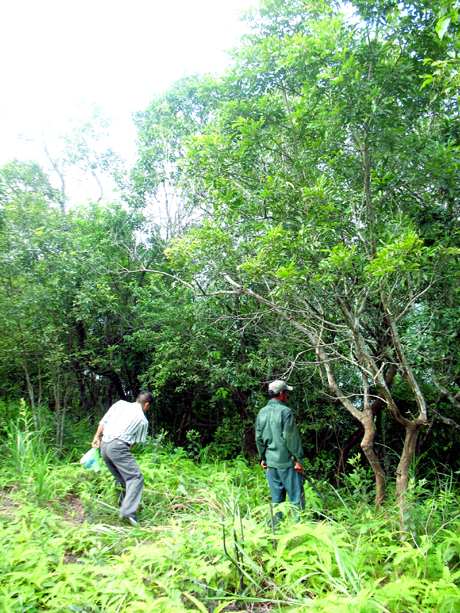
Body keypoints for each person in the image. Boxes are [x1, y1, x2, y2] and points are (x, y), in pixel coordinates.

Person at [91, 391, 154, 526]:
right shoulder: (143, 420)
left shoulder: (120, 404)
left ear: (137, 399)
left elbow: (104, 421)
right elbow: (135, 442)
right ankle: (128, 512)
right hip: (118, 447)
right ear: (146, 405)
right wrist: (121, 453)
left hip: (104, 445)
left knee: (121, 477)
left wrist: (96, 437)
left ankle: (121, 506)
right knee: (136, 478)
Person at [255, 380, 305, 523]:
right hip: (287, 463)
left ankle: (276, 534)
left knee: (277, 502)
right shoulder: (285, 412)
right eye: (286, 392)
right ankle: (298, 533)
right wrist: (298, 460)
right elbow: (291, 438)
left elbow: (259, 438)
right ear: (282, 394)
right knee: (296, 499)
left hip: (271, 463)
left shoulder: (262, 412)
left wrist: (263, 458)